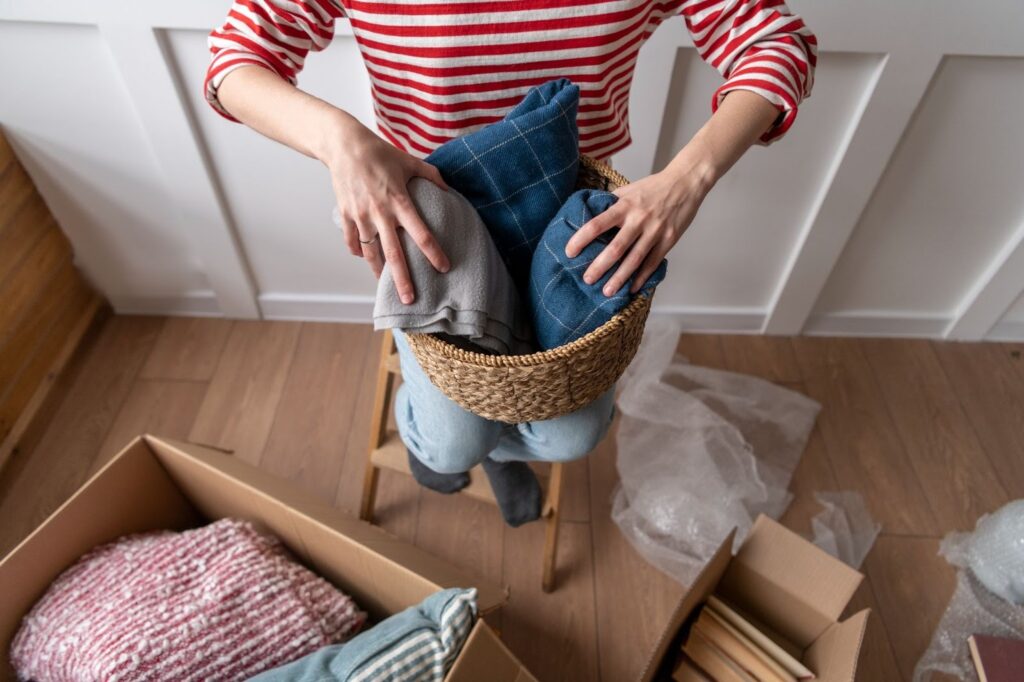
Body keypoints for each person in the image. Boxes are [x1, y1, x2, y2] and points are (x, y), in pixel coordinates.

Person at [204, 0, 817, 526]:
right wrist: (341, 141)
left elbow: (778, 43)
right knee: (450, 446)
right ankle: (461, 442)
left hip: (568, 218)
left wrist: (687, 182)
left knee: (571, 436)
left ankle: (493, 445)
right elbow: (234, 60)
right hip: (433, 213)